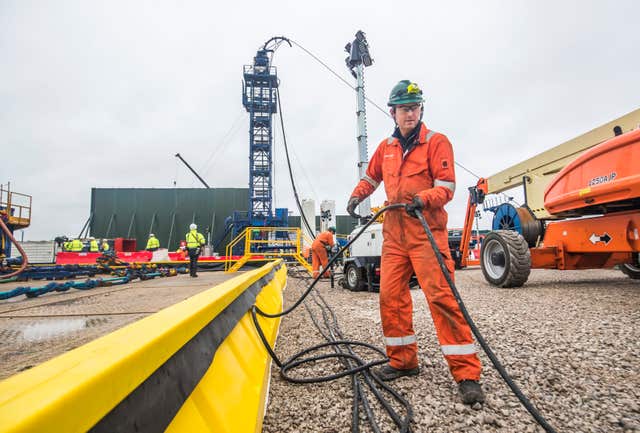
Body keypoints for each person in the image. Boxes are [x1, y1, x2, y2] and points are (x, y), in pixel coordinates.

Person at [346, 80, 484, 405]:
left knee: (442, 299)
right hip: (394, 236)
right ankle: (403, 361)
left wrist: (423, 199)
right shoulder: (386, 148)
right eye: (404, 108)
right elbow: (371, 177)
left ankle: (466, 374)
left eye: (415, 107)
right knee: (391, 297)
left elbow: (447, 187)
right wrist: (356, 196)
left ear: (421, 109)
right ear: (392, 112)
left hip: (425, 233)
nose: (410, 113)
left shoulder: (437, 143)